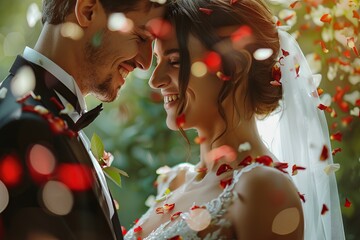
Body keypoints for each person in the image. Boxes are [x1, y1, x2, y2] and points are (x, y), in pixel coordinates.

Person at [124, 0, 345, 239]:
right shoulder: (175, 179)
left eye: (175, 61)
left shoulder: (262, 189)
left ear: (235, 68)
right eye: (158, 61)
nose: (154, 80)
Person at [0, 0, 164, 239]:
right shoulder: (24, 128)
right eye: (140, 37)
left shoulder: (41, 115)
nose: (146, 63)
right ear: (87, 11)